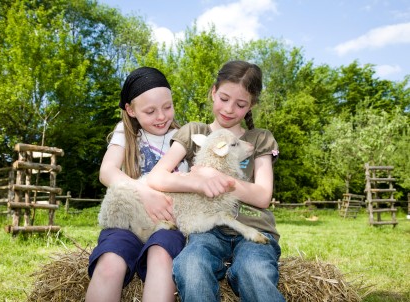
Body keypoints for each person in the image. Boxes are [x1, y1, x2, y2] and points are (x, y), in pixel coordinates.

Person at [147, 60, 284, 301]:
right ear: (213, 92)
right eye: (223, 98)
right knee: (191, 266)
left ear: (251, 104)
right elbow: (158, 176)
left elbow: (263, 196)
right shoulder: (194, 132)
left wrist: (218, 178)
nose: (229, 109)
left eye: (240, 104)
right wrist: (198, 181)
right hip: (207, 228)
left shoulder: (260, 138)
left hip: (254, 227)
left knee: (254, 271)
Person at [86, 67, 188, 302]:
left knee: (161, 256)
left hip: (168, 225)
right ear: (131, 110)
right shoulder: (126, 132)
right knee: (110, 262)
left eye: (167, 107)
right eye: (150, 111)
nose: (161, 117)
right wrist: (142, 191)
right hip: (129, 224)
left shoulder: (183, 136)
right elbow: (106, 171)